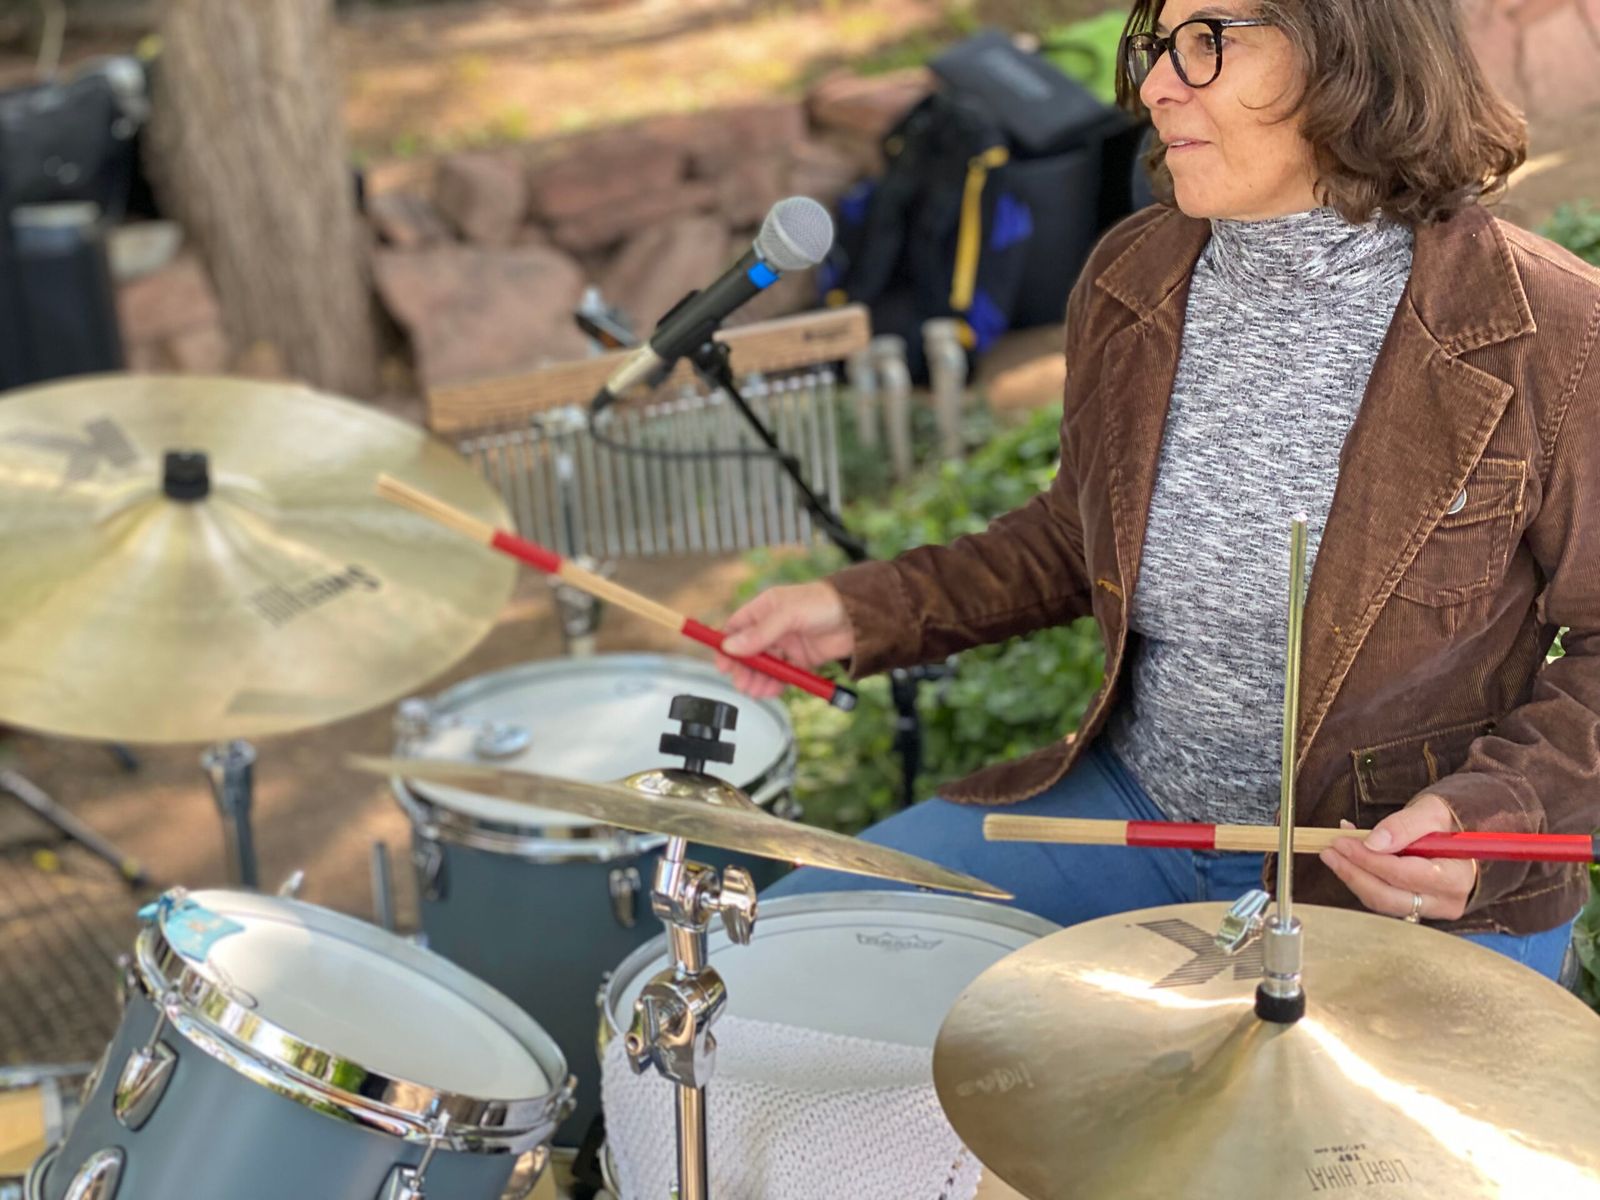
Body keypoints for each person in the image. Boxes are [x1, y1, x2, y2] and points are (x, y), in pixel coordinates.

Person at [714, 0, 1600, 982]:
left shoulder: (1552, 333)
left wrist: (1499, 814)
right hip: (1136, 813)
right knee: (763, 961)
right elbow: (1077, 533)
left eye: (1206, 43)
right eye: (1158, 47)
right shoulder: (1133, 275)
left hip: (1397, 881)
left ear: (1350, 51)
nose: (1154, 87)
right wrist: (865, 608)